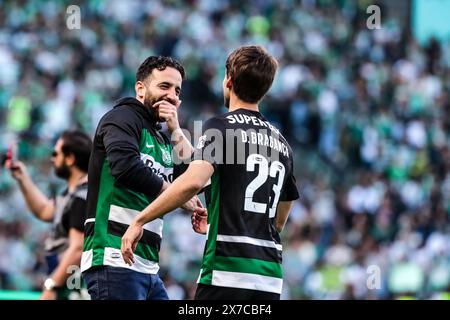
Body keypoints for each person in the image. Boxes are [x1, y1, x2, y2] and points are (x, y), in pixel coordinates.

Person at [121, 45, 299, 300]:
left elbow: (193, 182)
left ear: (228, 80)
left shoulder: (221, 128)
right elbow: (277, 222)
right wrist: (220, 222)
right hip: (269, 278)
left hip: (226, 272)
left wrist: (140, 220)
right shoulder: (282, 144)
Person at [81, 55, 204, 300]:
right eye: (164, 86)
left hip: (148, 265)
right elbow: (125, 167)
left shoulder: (162, 139)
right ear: (140, 88)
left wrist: (177, 131)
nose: (172, 96)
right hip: (113, 256)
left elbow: (194, 180)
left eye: (177, 91)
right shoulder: (121, 118)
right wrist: (174, 194)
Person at [6, 130, 92, 300]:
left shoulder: (82, 198)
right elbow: (45, 211)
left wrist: (51, 285)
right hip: (70, 284)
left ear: (70, 158)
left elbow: (78, 248)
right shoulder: (72, 195)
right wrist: (23, 178)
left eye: (56, 153)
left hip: (76, 288)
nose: (52, 158)